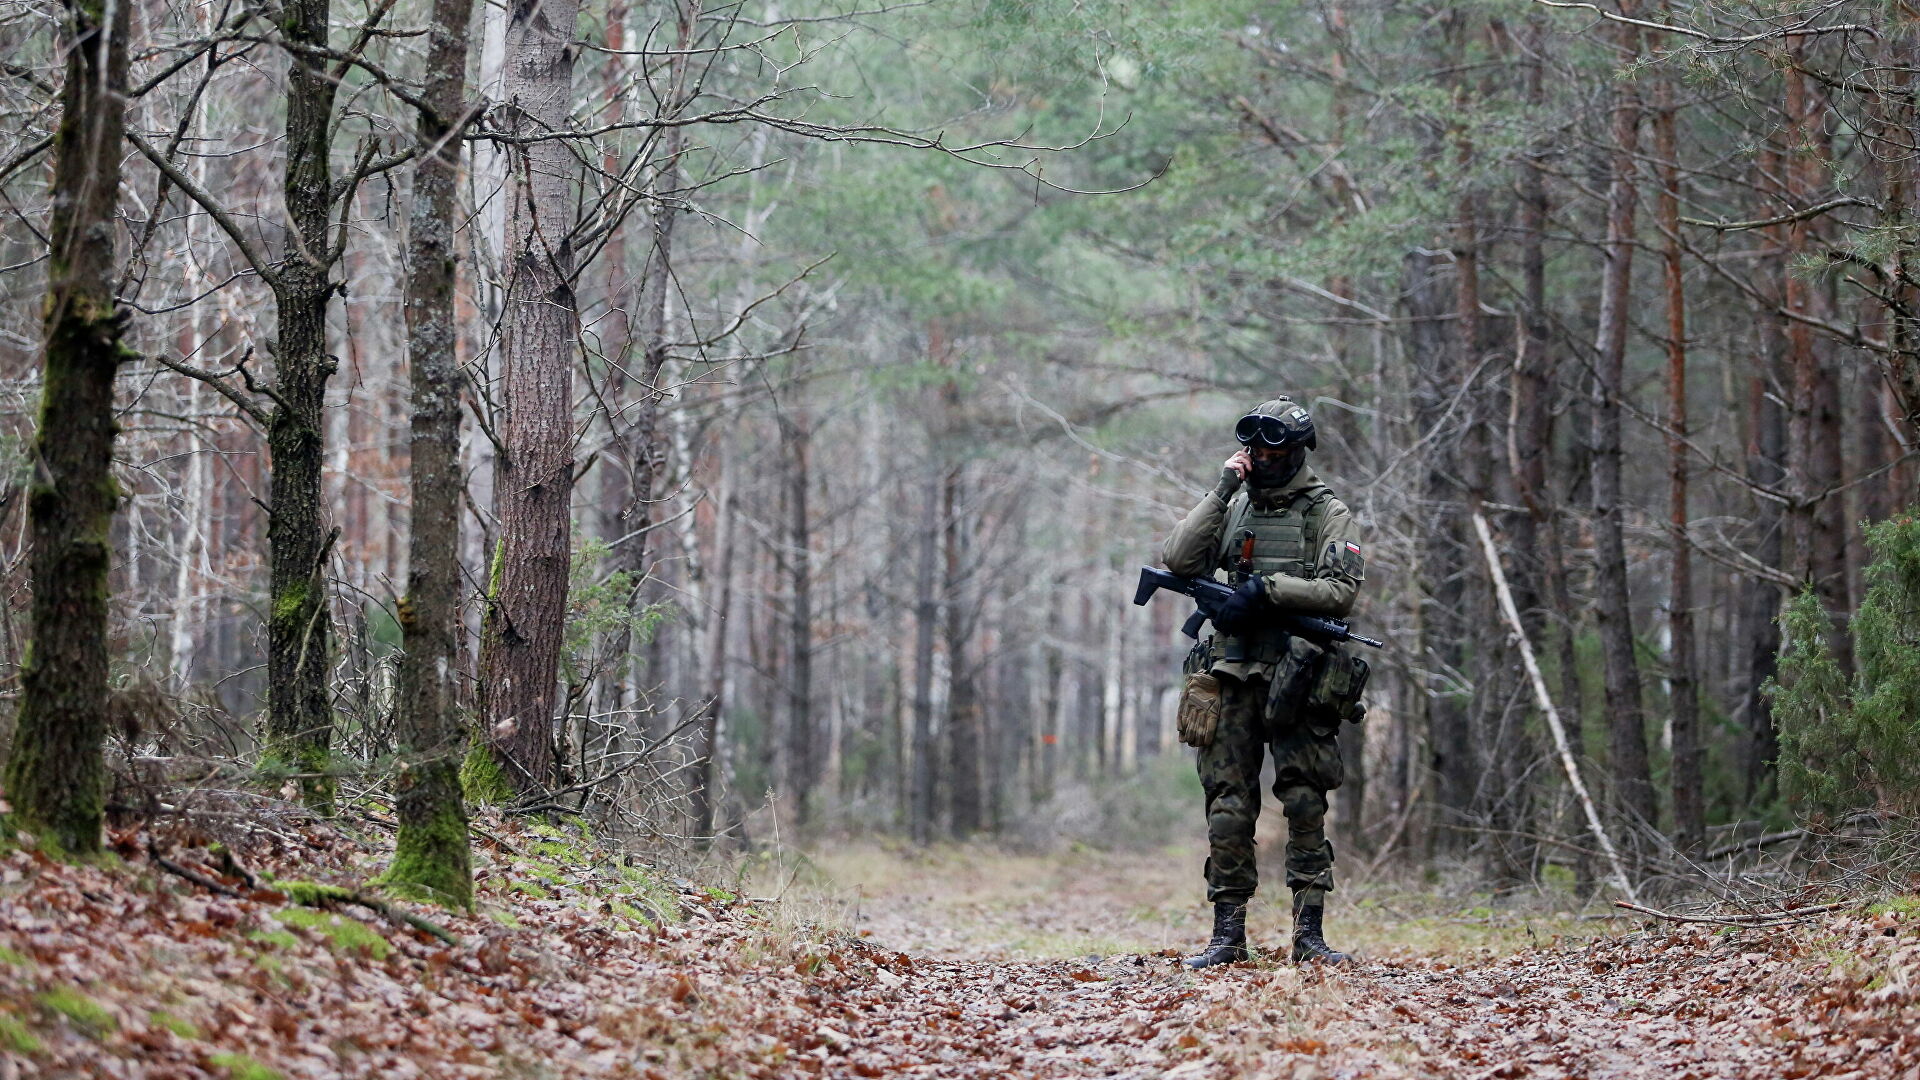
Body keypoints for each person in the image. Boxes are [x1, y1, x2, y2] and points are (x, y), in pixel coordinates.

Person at [1159, 397, 1366, 968]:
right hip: (1231, 672)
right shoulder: (1234, 504)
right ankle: (1228, 936)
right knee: (1227, 805)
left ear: (1297, 451)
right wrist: (1224, 488)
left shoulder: (1327, 512)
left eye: (1276, 449)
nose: (1265, 458)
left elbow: (1340, 592)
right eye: (1256, 449)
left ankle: (1309, 937)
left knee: (1304, 800)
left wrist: (1269, 591)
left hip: (1300, 675)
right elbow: (1178, 558)